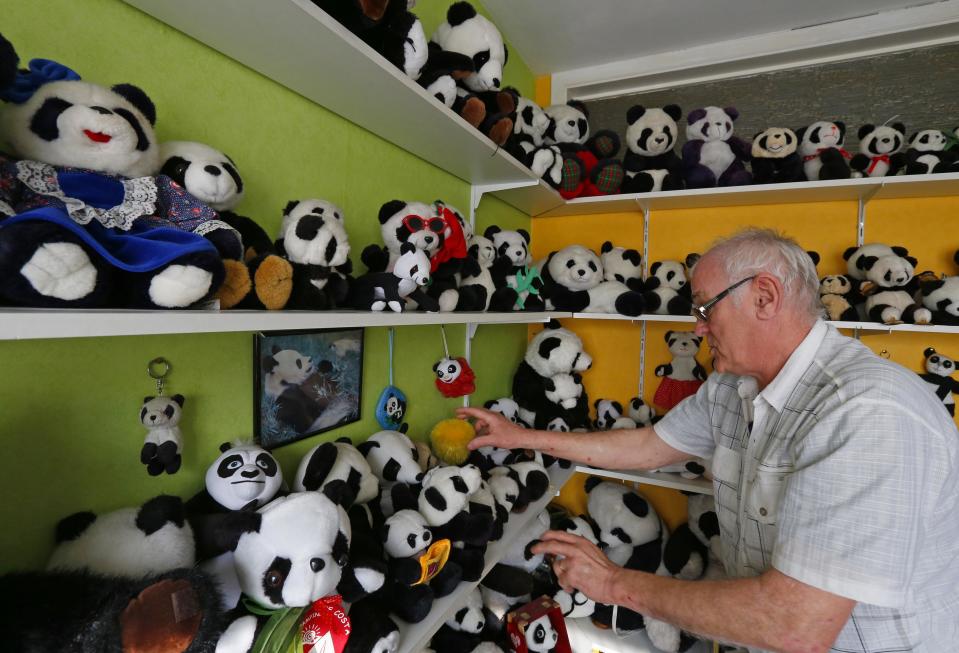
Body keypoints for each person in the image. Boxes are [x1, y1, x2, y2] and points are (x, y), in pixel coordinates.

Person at [457, 228, 959, 653]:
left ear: (764, 296)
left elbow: (797, 624)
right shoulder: (730, 387)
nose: (696, 329)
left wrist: (612, 583)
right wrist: (522, 435)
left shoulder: (867, 412)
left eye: (704, 308)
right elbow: (649, 446)